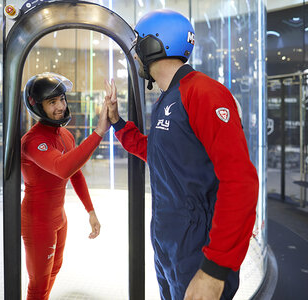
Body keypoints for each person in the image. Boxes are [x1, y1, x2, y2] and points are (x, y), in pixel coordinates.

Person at [104, 10, 259, 300]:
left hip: (198, 247)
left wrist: (215, 269)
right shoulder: (168, 98)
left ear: (153, 45)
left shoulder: (203, 93)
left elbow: (240, 183)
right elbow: (162, 155)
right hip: (169, 239)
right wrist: (118, 124)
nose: (135, 54)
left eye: (138, 45)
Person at [21, 72, 110, 300]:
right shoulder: (32, 141)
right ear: (37, 107)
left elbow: (75, 174)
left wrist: (90, 211)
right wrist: (99, 131)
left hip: (59, 218)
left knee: (55, 270)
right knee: (38, 284)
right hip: (37, 221)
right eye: (52, 102)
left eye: (62, 99)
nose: (61, 106)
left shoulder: (65, 136)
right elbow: (62, 168)